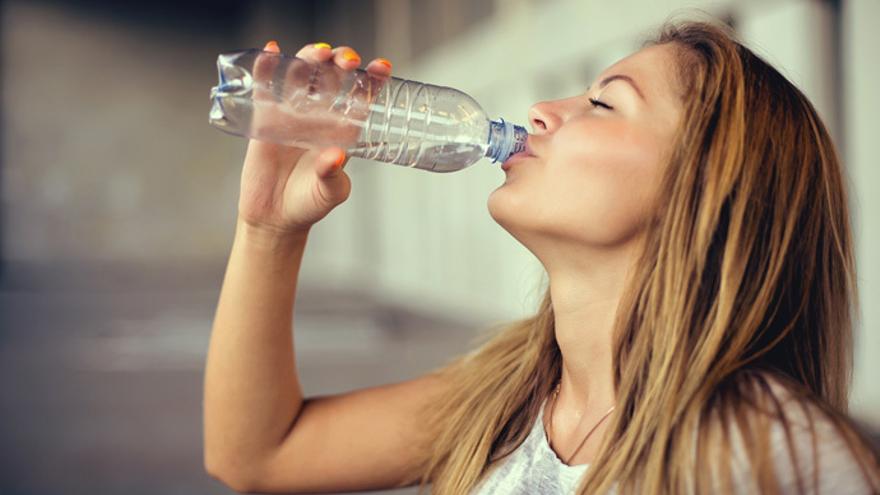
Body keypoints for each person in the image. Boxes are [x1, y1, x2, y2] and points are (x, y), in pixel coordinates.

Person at [202, 18, 880, 495]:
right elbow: (257, 455)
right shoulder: (511, 394)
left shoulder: (771, 450)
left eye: (603, 102)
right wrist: (268, 229)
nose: (542, 110)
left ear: (705, 190)